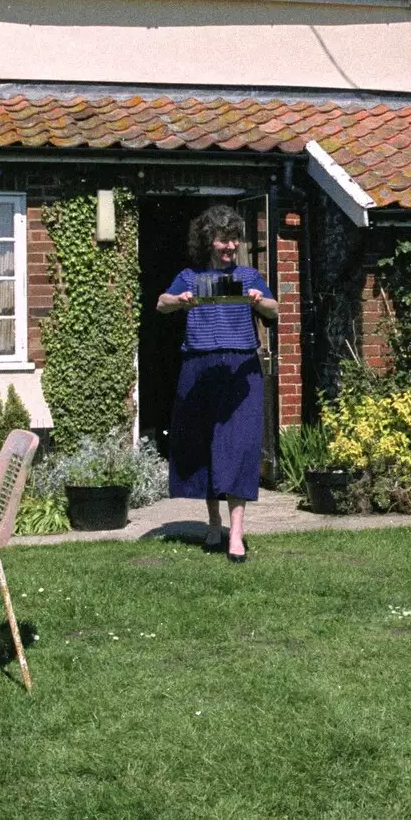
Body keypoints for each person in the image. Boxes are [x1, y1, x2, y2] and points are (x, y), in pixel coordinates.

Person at [156, 205, 278, 563]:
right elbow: (161, 303)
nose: (230, 246)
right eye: (224, 239)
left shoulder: (249, 276)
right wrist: (179, 301)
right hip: (199, 366)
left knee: (238, 447)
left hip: (241, 369)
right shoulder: (189, 277)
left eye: (235, 239)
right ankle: (213, 525)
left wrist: (261, 301)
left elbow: (274, 308)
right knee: (205, 445)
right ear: (209, 240)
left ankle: (236, 535)